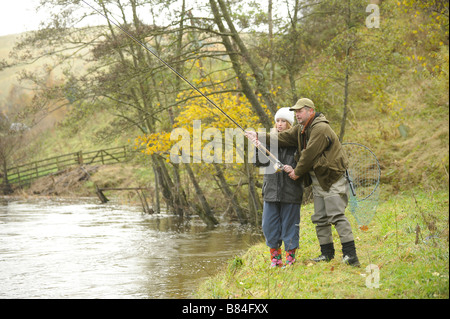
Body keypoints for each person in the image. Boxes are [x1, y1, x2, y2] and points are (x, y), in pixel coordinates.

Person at [246, 98, 360, 267]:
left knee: (336, 215)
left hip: (332, 178)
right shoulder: (301, 129)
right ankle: (327, 253)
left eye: (300, 111)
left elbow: (309, 154)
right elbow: (281, 138)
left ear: (310, 111)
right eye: (296, 112)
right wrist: (258, 136)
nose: (297, 114)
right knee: (320, 217)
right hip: (318, 179)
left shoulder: (320, 128)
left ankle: (351, 255)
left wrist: (296, 171)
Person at [254, 107, 303, 267]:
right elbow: (258, 163)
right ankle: (276, 259)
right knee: (269, 226)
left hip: (291, 191)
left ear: (290, 125)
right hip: (270, 192)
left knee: (290, 225)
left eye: (284, 121)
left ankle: (290, 258)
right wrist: (257, 147)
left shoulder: (297, 142)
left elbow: (304, 163)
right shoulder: (268, 141)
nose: (280, 124)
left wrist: (293, 168)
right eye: (278, 121)